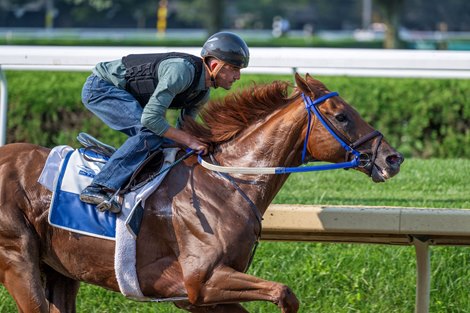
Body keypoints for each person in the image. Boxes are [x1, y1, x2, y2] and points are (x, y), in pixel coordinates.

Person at [79, 31, 250, 213]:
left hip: (124, 95)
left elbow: (182, 131)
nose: (238, 76)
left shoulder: (202, 93)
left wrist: (195, 142)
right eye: (234, 68)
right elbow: (151, 120)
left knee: (167, 142)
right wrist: (190, 140)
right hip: (101, 88)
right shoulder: (182, 71)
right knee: (151, 133)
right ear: (215, 65)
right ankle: (98, 187)